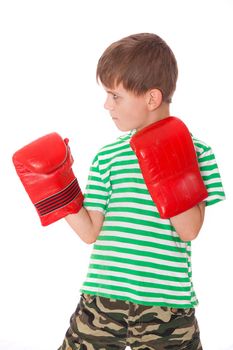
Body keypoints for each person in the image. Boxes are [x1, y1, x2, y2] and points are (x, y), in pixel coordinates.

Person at [12, 33, 225, 349]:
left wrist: (167, 160)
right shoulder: (108, 157)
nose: (106, 104)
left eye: (116, 96)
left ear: (151, 99)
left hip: (167, 308)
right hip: (102, 299)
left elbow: (189, 229)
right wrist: (58, 184)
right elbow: (90, 232)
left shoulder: (199, 153)